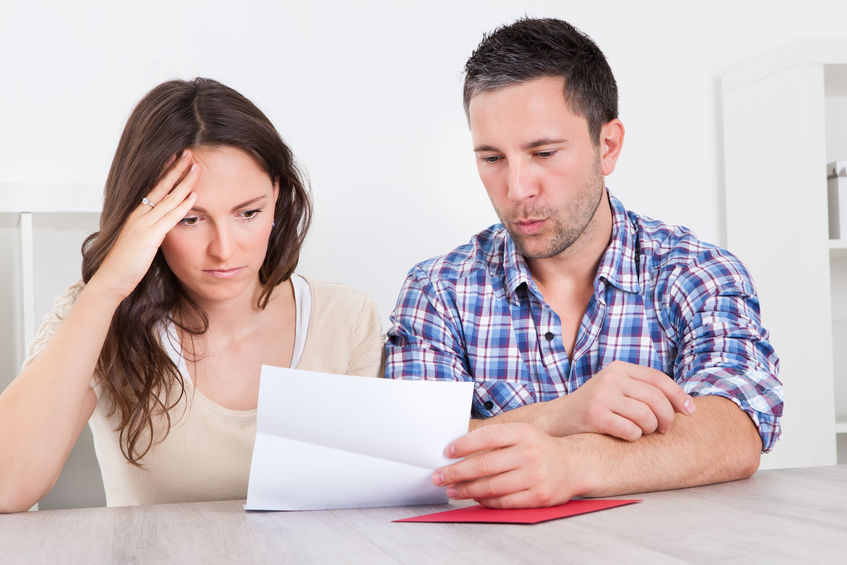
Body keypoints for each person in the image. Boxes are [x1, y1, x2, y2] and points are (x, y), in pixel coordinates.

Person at [385, 18, 783, 508]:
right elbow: (407, 451)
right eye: (492, 158)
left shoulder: (696, 272)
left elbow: (735, 430)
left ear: (607, 145)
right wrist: (562, 416)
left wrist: (573, 465)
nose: (517, 189)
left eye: (544, 152)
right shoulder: (436, 290)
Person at [0, 78, 384, 512]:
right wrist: (108, 287)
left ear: (277, 195)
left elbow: (364, 511)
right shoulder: (96, 315)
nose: (223, 249)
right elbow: (6, 488)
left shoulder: (346, 320)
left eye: (248, 213)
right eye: (189, 219)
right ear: (142, 218)